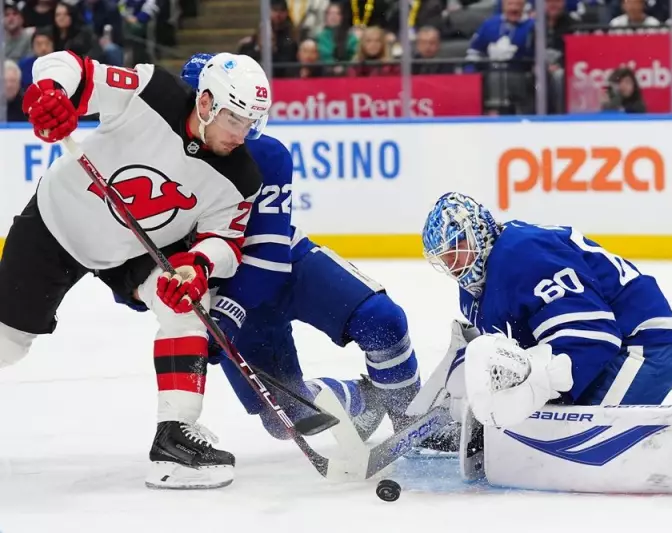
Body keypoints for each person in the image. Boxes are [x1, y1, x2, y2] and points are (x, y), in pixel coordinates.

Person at [0, 50, 269, 489]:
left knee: (190, 305)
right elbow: (68, 64)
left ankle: (174, 442)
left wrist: (198, 265)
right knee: (6, 345)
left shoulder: (241, 176)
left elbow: (226, 240)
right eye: (235, 120)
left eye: (251, 124)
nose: (242, 135)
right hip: (58, 224)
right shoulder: (151, 91)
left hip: (132, 249)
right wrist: (52, 92)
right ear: (206, 104)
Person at [123, 54, 423, 447]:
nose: (242, 131)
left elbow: (267, 259)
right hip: (222, 290)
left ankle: (412, 415)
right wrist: (151, 295)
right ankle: (364, 399)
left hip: (285, 267)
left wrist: (225, 320)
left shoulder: (266, 156)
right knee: (287, 418)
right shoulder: (154, 166)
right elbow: (134, 265)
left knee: (382, 320)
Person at [416, 192, 672, 497]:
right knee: (542, 424)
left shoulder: (520, 255)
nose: (452, 262)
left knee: (576, 442)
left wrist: (542, 385)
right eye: (444, 255)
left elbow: (594, 335)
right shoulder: (474, 289)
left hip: (643, 345)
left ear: (479, 231)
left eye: (457, 246)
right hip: (606, 350)